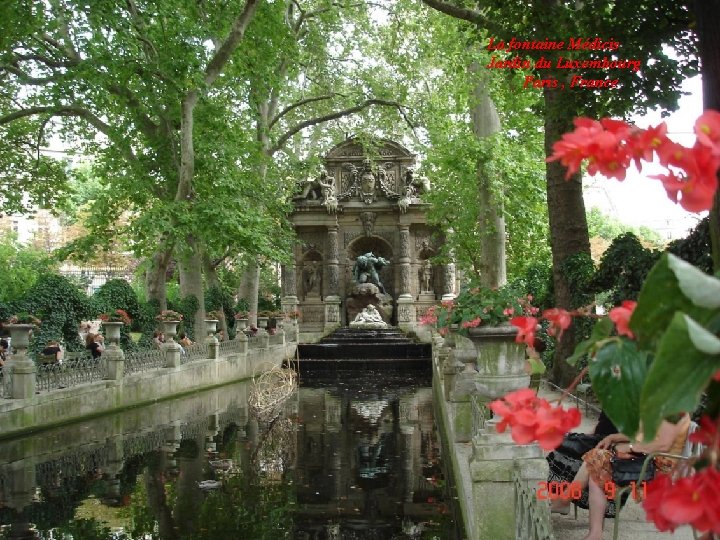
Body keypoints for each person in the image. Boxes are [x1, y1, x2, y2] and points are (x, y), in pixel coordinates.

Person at [552, 415, 691, 540]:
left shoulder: (674, 410)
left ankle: (568, 505)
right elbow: (643, 434)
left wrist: (630, 447)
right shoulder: (663, 404)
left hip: (656, 465)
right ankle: (592, 530)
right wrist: (614, 437)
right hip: (646, 457)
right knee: (597, 462)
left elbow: (663, 444)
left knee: (597, 460)